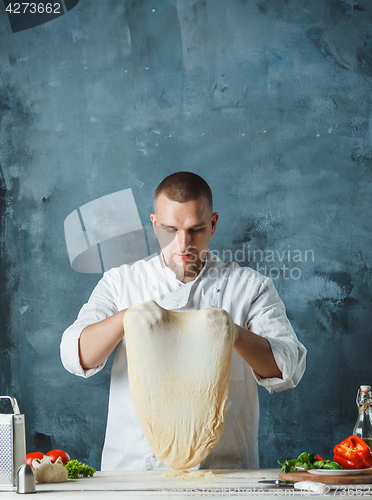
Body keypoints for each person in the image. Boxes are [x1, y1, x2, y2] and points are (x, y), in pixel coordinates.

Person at [60, 171, 306, 471]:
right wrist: (128, 318)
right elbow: (75, 355)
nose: (183, 243)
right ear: (154, 224)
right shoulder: (120, 283)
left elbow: (288, 367)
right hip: (136, 473)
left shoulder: (249, 287)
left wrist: (234, 333)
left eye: (196, 229)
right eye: (169, 229)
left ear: (213, 223)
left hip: (225, 472)